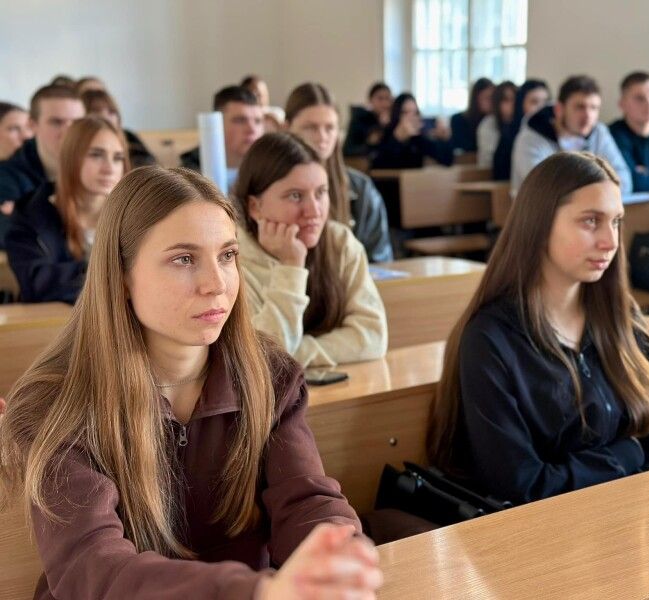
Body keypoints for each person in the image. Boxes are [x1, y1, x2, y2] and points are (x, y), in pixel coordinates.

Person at [0, 165, 382, 599]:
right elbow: (95, 571)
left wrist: (337, 555)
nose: (216, 284)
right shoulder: (56, 403)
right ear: (121, 276)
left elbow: (305, 500)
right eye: (184, 259)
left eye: (227, 255)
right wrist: (255, 593)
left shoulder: (270, 374)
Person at [427, 151, 649, 505]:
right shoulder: (490, 340)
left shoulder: (620, 316)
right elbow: (524, 486)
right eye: (590, 221)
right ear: (539, 224)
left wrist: (637, 498)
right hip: (550, 543)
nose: (610, 241)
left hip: (638, 520)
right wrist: (627, 456)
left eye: (616, 222)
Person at [234, 132, 388, 367]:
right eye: (295, 196)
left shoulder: (340, 242)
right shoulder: (231, 261)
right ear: (255, 207)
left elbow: (372, 337)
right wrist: (291, 267)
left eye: (320, 193)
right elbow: (263, 360)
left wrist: (294, 353)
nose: (314, 211)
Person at [6, 117, 129, 303]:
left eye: (118, 158)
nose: (110, 168)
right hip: (56, 327)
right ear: (71, 157)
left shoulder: (135, 215)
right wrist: (116, 275)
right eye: (96, 155)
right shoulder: (30, 215)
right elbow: (38, 284)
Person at [285, 83, 392, 262]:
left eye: (329, 128)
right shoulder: (270, 187)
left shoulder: (361, 189)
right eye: (311, 128)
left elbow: (380, 259)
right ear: (287, 127)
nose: (322, 137)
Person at [511, 75, 632, 195]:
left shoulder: (599, 132)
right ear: (559, 109)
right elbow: (545, 190)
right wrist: (599, 186)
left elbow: (624, 182)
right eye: (580, 107)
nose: (588, 116)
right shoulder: (530, 138)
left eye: (594, 108)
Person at [0, 85, 85, 205]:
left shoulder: (101, 167)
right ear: (33, 125)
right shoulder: (6, 179)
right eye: (57, 122)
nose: (68, 132)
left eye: (77, 123)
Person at [181, 86, 265, 190]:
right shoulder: (186, 177)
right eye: (240, 120)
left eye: (258, 121)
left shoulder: (272, 172)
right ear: (217, 124)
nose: (252, 129)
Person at [371, 93, 453, 169]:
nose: (411, 117)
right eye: (405, 112)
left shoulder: (417, 138)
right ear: (396, 114)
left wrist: (444, 138)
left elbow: (447, 160)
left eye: (415, 112)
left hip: (414, 183)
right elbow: (377, 166)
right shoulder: (385, 134)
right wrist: (397, 139)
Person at [492, 79, 550, 180]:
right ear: (521, 105)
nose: (542, 108)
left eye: (545, 101)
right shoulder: (510, 137)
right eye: (534, 102)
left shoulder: (556, 134)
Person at [81, 89, 156, 167]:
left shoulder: (130, 138)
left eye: (111, 112)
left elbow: (151, 168)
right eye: (96, 111)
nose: (106, 117)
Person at [343, 82, 393, 157]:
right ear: (370, 100)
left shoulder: (394, 119)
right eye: (380, 99)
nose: (385, 103)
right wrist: (379, 128)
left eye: (387, 99)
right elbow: (347, 150)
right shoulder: (360, 119)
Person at [476, 81, 516, 168]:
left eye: (515, 99)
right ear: (497, 102)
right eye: (506, 100)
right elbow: (491, 161)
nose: (512, 104)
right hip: (489, 177)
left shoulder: (521, 124)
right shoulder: (488, 124)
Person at [450, 78, 494, 154]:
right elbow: (465, 147)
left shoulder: (496, 121)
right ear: (476, 99)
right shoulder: (458, 120)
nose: (491, 102)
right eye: (487, 98)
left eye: (493, 98)